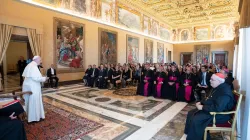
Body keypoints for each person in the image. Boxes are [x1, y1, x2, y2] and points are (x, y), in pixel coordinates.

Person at [183, 73, 235, 140]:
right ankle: (189, 133)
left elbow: (218, 108)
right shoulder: (217, 87)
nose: (210, 81)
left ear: (219, 81)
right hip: (213, 110)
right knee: (191, 113)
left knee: (196, 118)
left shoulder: (224, 92)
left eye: (212, 79)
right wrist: (201, 102)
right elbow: (209, 98)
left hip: (220, 115)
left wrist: (202, 107)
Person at [22, 56, 49, 123]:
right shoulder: (34, 67)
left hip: (28, 86)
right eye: (40, 59)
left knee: (29, 101)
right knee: (34, 101)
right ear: (36, 60)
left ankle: (29, 116)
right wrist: (45, 78)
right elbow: (37, 78)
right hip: (33, 87)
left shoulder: (30, 65)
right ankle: (34, 118)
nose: (41, 61)